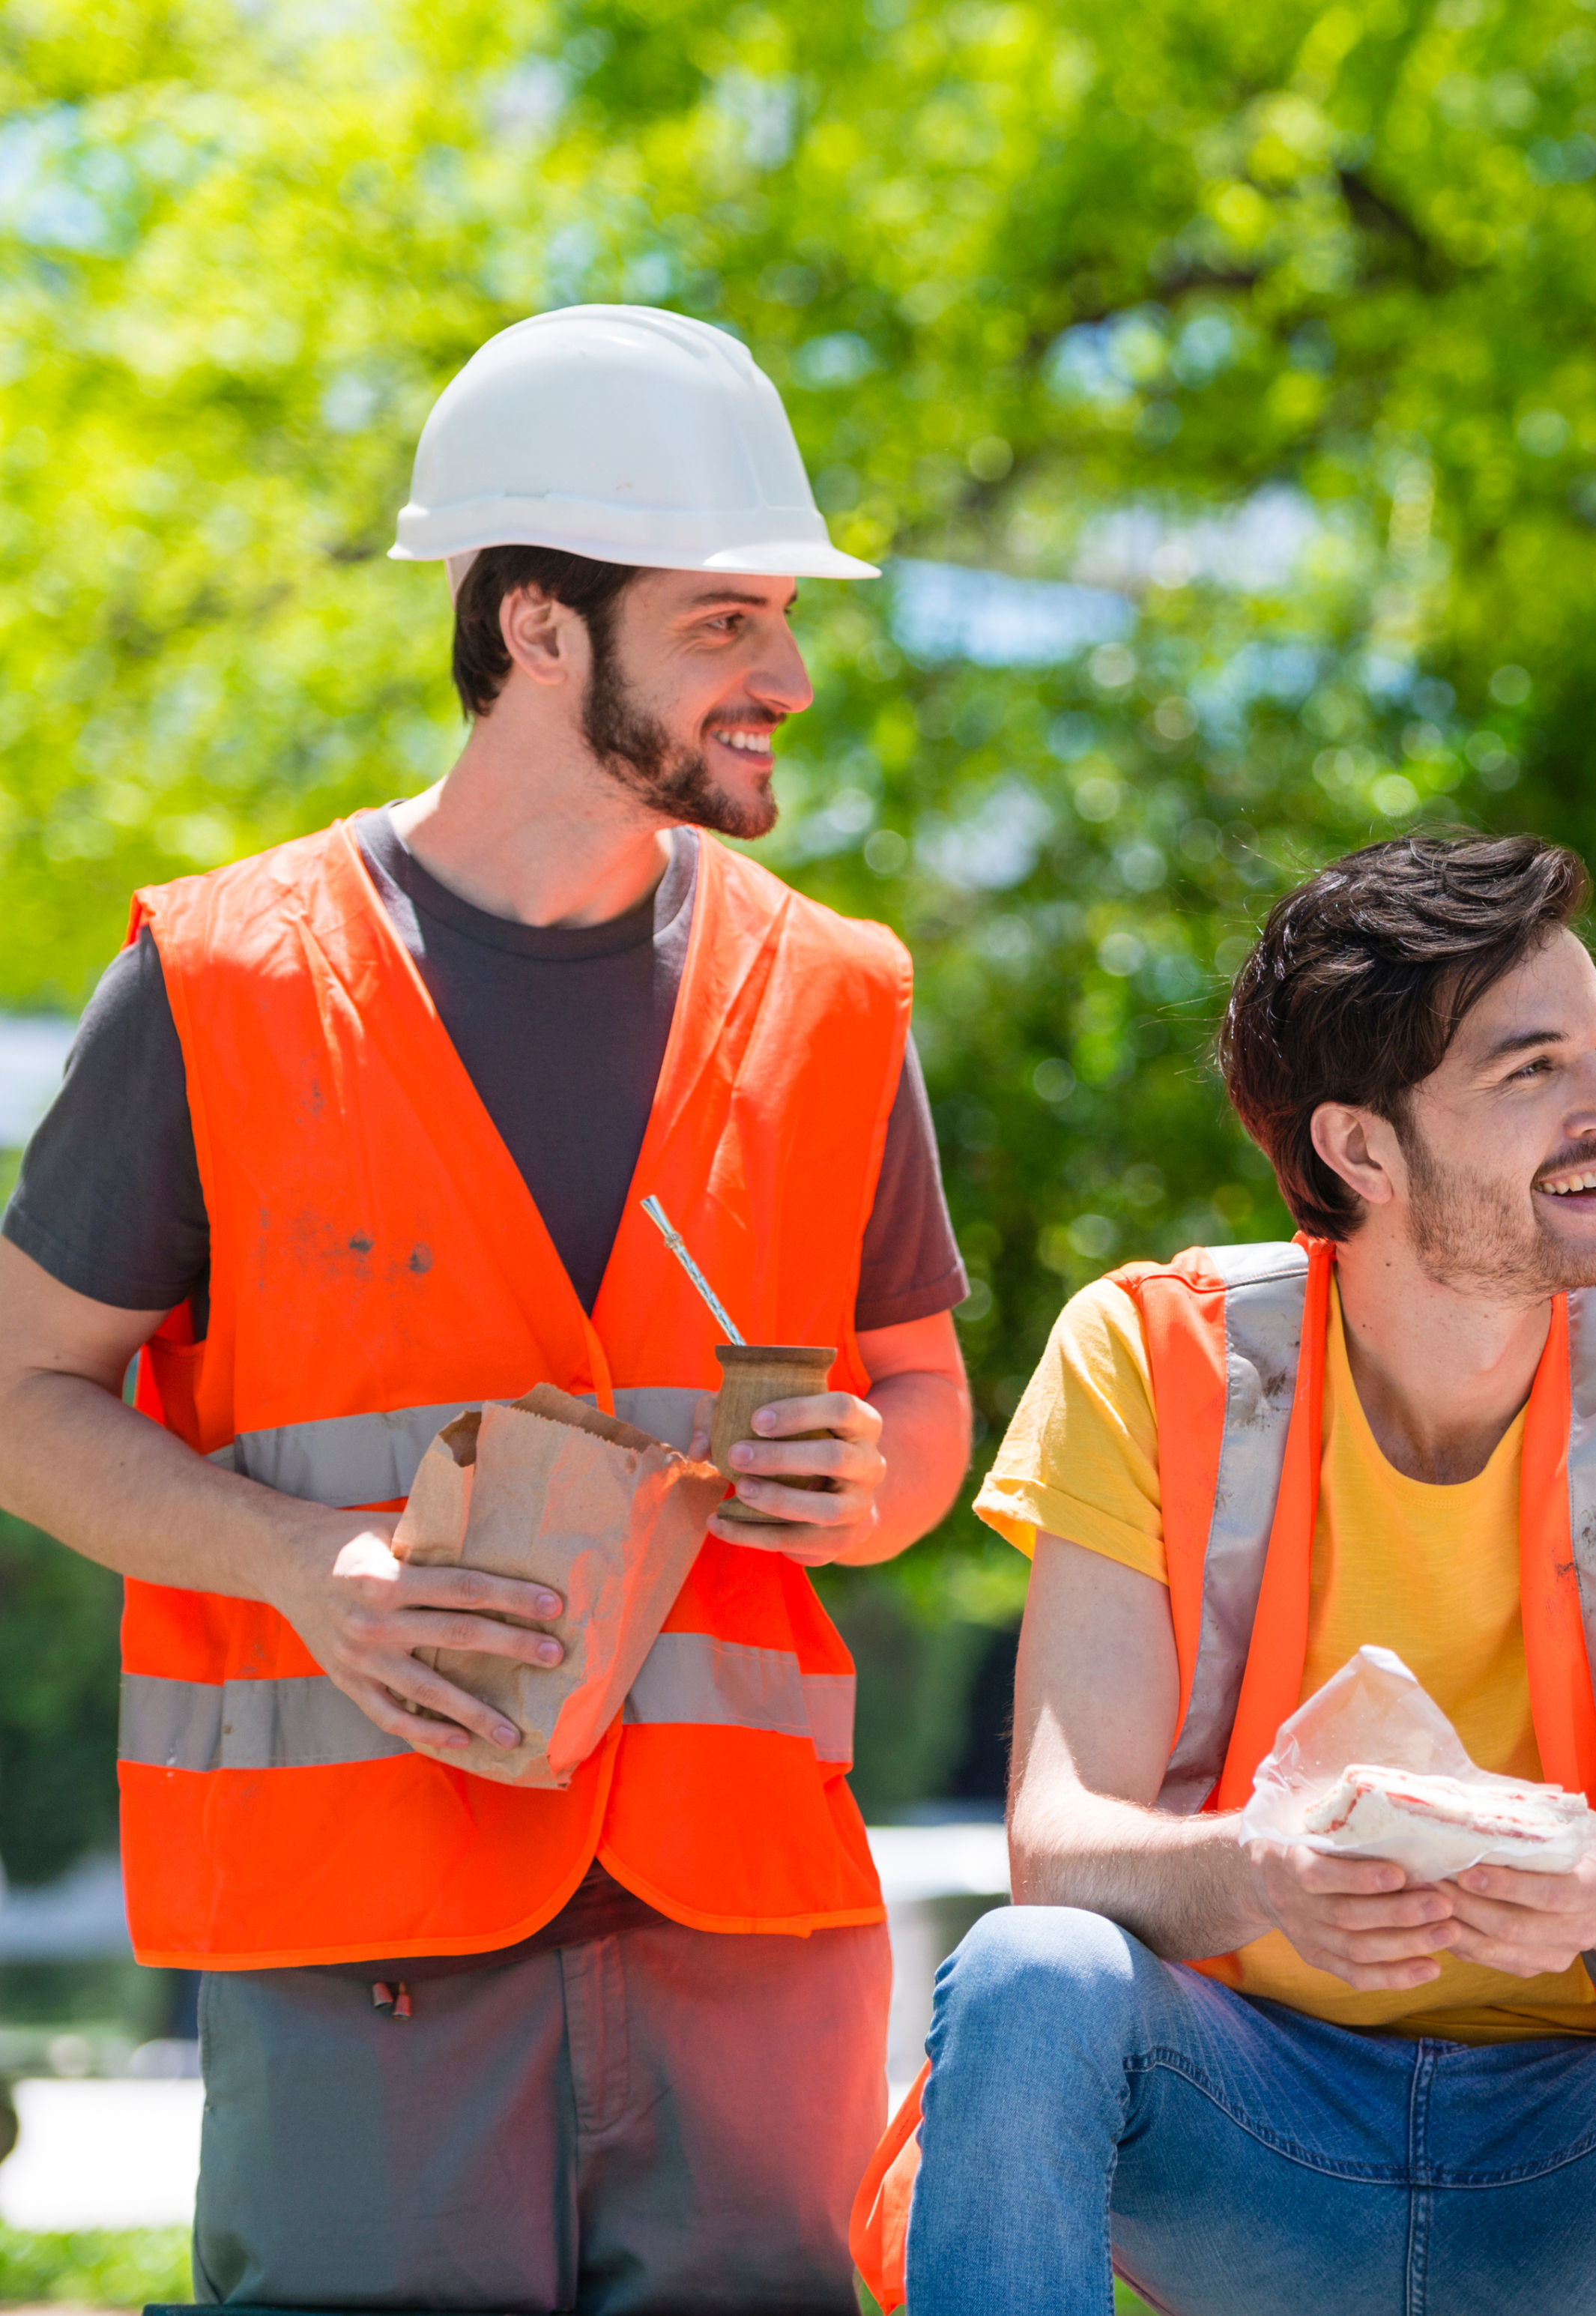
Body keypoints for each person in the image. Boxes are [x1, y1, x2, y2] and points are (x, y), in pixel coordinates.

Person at [0, 305, 973, 2310]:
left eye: (780, 618)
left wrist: (865, 1485)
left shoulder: (839, 998)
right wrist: (296, 1560)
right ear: (537, 626)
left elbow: (924, 1419)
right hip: (362, 1934)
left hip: (745, 1937)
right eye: (723, 623)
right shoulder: (227, 983)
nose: (785, 675)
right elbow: (22, 1395)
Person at [853, 834, 1596, 2316]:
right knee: (1030, 1968)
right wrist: (1266, 1877)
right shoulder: (1145, 1353)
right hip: (1246, 2141)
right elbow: (1057, 1846)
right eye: (1531, 1072)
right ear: (1357, 1148)